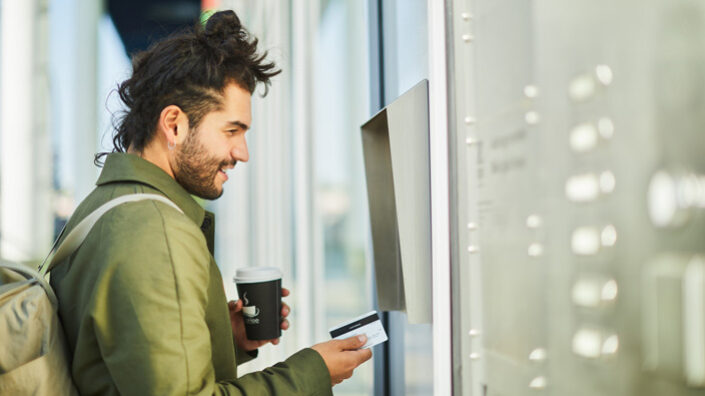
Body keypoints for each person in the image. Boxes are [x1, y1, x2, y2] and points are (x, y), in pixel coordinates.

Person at [49, 10, 371, 395]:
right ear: (174, 125)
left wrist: (224, 336)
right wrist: (314, 370)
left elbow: (117, 362)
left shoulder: (102, 207)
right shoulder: (156, 233)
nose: (243, 152)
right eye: (231, 130)